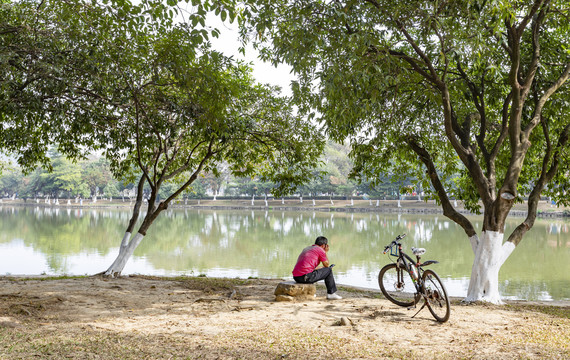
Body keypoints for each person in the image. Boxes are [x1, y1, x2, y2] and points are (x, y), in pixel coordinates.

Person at [292, 236, 342, 300]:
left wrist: (321, 268)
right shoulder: (320, 250)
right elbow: (326, 264)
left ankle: (310, 293)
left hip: (296, 277)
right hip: (305, 277)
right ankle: (331, 294)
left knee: (322, 270)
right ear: (324, 245)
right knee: (329, 270)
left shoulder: (307, 248)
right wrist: (325, 252)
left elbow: (308, 267)